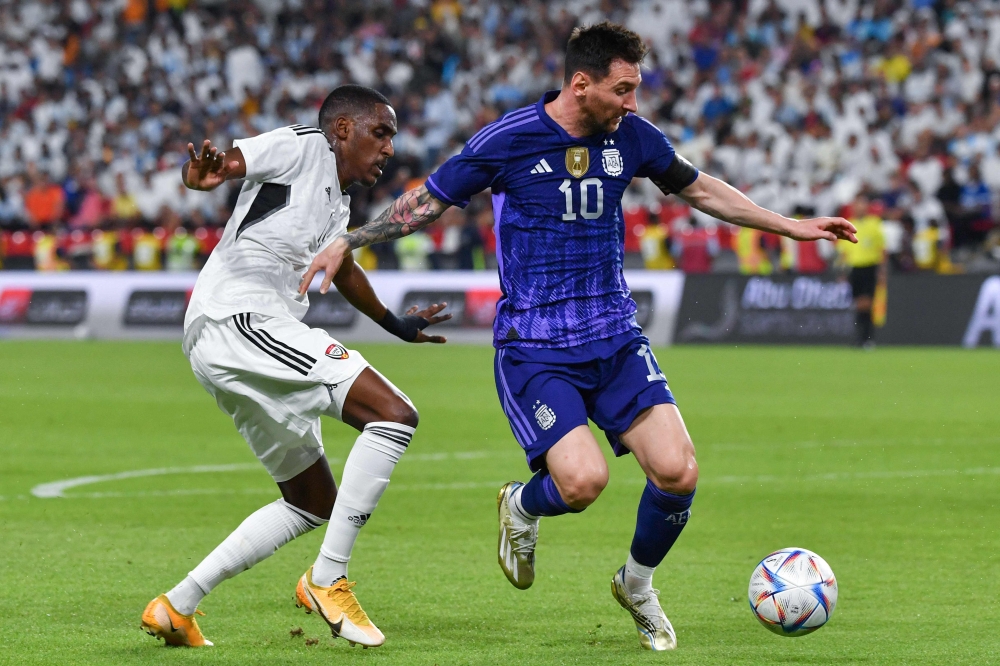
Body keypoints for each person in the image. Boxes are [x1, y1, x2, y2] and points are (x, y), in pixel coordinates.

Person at [300, 24, 857, 652]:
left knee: (678, 472)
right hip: (536, 347)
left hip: (614, 336)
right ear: (581, 83)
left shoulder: (633, 138)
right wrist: (352, 237)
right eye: (623, 90)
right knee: (582, 483)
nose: (633, 104)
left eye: (636, 90)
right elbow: (426, 202)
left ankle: (637, 584)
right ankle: (523, 505)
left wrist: (792, 227)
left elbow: (701, 189)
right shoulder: (509, 140)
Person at [140, 85, 450, 649]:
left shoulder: (339, 201)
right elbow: (226, 164)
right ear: (342, 130)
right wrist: (202, 176)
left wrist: (393, 324)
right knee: (393, 415)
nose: (388, 148)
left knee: (312, 502)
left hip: (234, 338)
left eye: (392, 138)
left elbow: (345, 267)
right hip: (242, 319)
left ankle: (177, 607)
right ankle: (329, 579)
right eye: (379, 133)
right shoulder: (303, 146)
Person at [838, 193, 886, 347]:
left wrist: (882, 270)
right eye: (858, 205)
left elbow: (882, 249)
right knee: (858, 304)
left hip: (870, 267)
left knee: (867, 304)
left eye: (863, 204)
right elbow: (843, 253)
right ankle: (861, 339)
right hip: (855, 268)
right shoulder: (848, 224)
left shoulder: (874, 224)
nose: (860, 208)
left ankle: (868, 338)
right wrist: (842, 272)